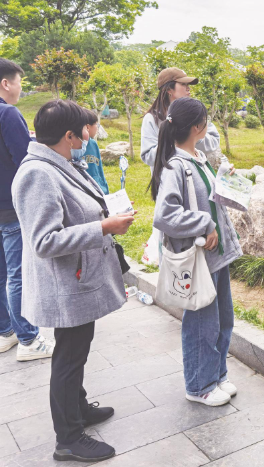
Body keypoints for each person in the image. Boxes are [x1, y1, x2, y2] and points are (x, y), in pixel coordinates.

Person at [12, 100, 137, 462]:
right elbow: (43, 241)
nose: (89, 134)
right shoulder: (38, 173)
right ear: (69, 136)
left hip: (76, 279)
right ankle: (68, 437)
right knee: (68, 358)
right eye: (84, 129)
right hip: (66, 282)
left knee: (77, 350)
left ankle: (79, 409)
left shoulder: (59, 163)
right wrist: (102, 227)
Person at [150, 97, 243, 407]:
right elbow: (164, 216)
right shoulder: (176, 166)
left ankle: (216, 375)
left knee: (222, 320)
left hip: (216, 257)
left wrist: (226, 179)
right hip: (199, 257)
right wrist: (204, 223)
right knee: (202, 323)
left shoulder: (197, 158)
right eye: (206, 121)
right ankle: (198, 385)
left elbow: (209, 197)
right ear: (197, 127)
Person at [0, 58, 53, 361]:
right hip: (11, 208)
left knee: (1, 275)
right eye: (19, 82)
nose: (21, 88)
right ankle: (29, 339)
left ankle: (5, 331)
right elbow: (26, 161)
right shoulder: (8, 113)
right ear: (6, 83)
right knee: (18, 275)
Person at [140, 67, 221, 267]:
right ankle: (175, 270)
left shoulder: (195, 111)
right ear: (169, 89)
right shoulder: (152, 119)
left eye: (189, 85)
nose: (188, 89)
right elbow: (147, 155)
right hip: (172, 182)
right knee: (174, 227)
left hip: (197, 180)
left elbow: (213, 140)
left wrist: (190, 134)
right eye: (183, 84)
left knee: (201, 231)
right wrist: (175, 141)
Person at [78, 110, 109, 194]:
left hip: (99, 190)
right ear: (88, 127)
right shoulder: (76, 147)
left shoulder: (93, 143)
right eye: (96, 124)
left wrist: (105, 190)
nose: (97, 127)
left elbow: (99, 170)